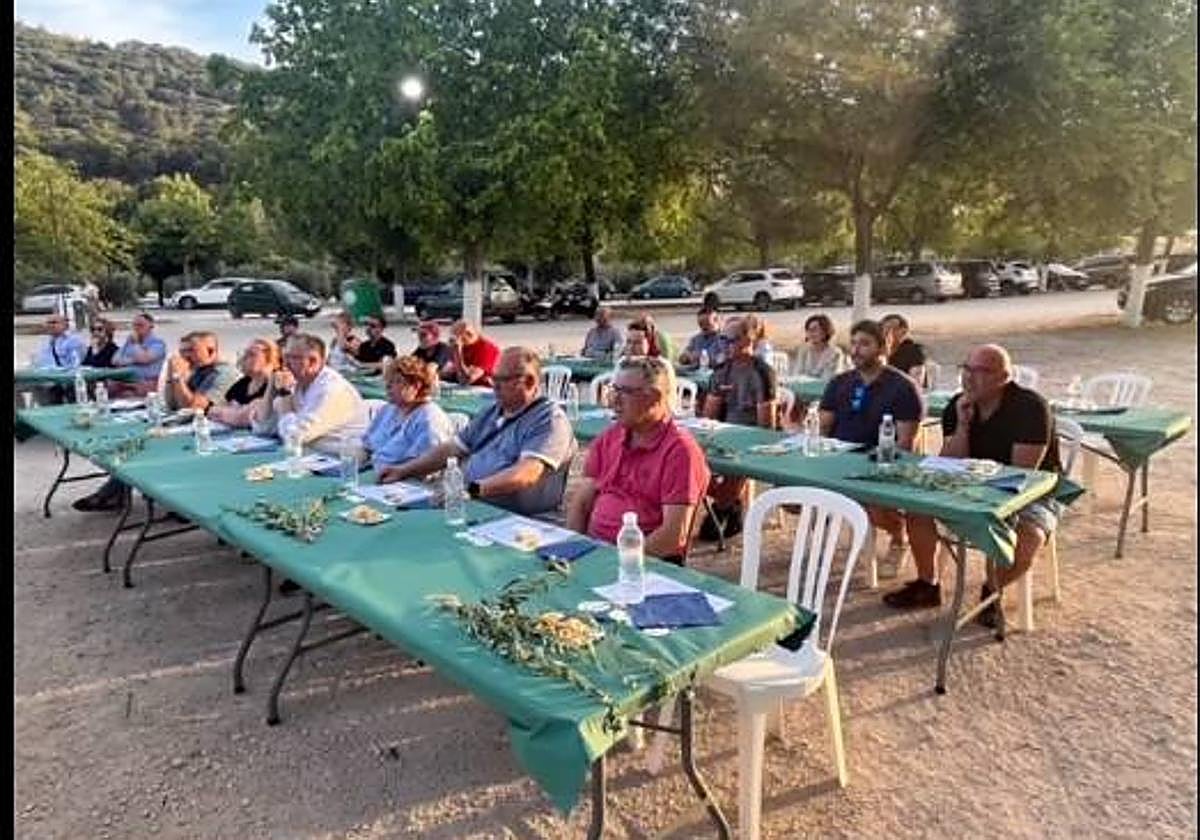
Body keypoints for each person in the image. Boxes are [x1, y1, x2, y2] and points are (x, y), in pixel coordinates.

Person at [884, 345, 1063, 621]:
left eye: (981, 371)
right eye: (966, 369)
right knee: (918, 508)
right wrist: (963, 426)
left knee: (1029, 538)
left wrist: (973, 487)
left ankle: (991, 593)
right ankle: (927, 584)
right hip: (970, 484)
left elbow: (1021, 474)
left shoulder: (1030, 407)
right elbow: (950, 463)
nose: (969, 377)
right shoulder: (958, 405)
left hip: (1030, 492)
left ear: (1005, 377)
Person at [378, 347, 577, 516]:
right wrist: (404, 470)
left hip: (517, 519)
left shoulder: (549, 419)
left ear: (530, 382)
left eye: (502, 379)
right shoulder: (493, 411)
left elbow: (526, 474)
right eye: (493, 378)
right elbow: (451, 449)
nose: (494, 386)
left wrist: (471, 490)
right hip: (472, 503)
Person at [566, 356, 710, 564]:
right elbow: (581, 503)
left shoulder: (680, 451)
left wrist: (617, 564)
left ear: (655, 398)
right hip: (595, 554)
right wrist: (574, 551)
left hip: (644, 564)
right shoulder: (610, 437)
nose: (614, 400)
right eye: (614, 390)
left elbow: (672, 536)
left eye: (625, 392)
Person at [818, 319, 924, 571]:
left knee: (874, 504)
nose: (855, 350)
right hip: (839, 459)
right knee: (794, 494)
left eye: (864, 344)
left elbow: (906, 443)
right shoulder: (839, 382)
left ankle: (899, 539)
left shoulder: (903, 388)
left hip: (879, 464)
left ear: (882, 348)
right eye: (853, 343)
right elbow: (823, 428)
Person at [256, 333, 370, 455]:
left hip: (342, 462)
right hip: (315, 457)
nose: (285, 364)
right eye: (285, 357)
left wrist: (285, 399)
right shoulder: (296, 382)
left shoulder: (332, 389)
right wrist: (271, 387)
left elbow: (294, 437)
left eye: (292, 358)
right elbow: (264, 428)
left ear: (312, 362)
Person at [361, 355, 456, 475]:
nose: (388, 386)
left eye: (396, 381)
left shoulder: (429, 419)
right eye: (388, 381)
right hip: (372, 469)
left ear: (416, 386)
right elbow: (368, 445)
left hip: (405, 482)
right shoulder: (389, 409)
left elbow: (429, 466)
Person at [704, 316, 778, 428]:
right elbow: (709, 417)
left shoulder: (763, 373)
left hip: (751, 435)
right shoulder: (721, 371)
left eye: (732, 340)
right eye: (723, 339)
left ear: (748, 340)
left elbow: (766, 427)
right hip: (723, 432)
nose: (725, 345)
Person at [208, 339, 280, 429]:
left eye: (251, 354)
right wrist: (235, 413)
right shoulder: (243, 382)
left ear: (269, 358)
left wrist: (234, 412)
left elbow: (245, 418)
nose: (244, 358)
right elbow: (212, 410)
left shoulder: (276, 383)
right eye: (244, 353)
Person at [163, 331, 241, 413]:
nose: (185, 356)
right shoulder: (200, 370)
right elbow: (172, 404)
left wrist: (178, 377)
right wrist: (170, 374)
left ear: (210, 351)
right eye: (182, 351)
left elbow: (193, 408)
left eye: (191, 350)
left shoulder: (223, 373)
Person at [110, 312, 168, 396]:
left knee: (128, 393)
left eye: (140, 325)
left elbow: (144, 359)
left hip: (146, 381)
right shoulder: (129, 342)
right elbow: (115, 360)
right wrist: (132, 360)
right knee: (107, 386)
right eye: (134, 325)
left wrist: (136, 344)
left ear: (151, 326)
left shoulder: (157, 343)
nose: (136, 328)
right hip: (125, 379)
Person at [442, 320, 501, 387]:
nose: (452, 340)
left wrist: (457, 352)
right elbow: (444, 371)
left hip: (483, 389)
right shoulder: (462, 346)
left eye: (456, 336)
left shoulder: (487, 349)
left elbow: (465, 380)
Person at [793, 314, 847, 379]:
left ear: (825, 332)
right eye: (808, 330)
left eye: (814, 330)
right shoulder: (804, 351)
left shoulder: (835, 353)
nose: (810, 333)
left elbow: (829, 378)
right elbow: (797, 375)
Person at [881, 313, 928, 386]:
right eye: (883, 329)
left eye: (891, 329)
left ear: (904, 332)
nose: (886, 333)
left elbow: (916, 382)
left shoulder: (914, 351)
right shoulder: (878, 351)